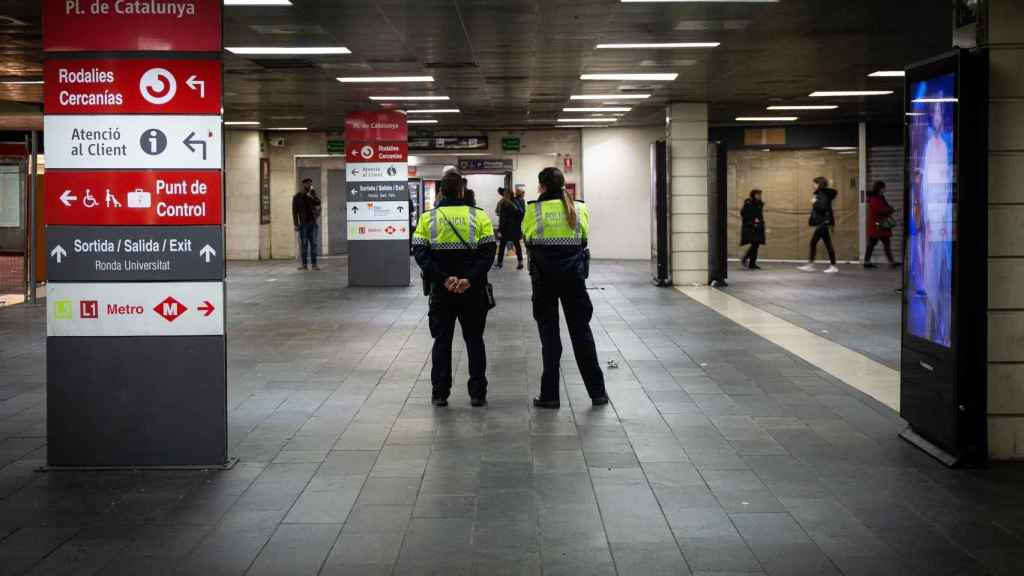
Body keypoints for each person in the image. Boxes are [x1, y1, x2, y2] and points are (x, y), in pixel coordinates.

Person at [522, 167, 609, 409]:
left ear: (542, 186)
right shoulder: (579, 208)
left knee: (550, 340)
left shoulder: (533, 210)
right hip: (574, 280)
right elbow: (583, 238)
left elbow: (527, 238)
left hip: (544, 282)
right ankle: (597, 393)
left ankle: (550, 396)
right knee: (582, 335)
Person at [412, 171, 497, 407]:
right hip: (473, 292)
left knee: (442, 341)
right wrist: (468, 279)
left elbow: (420, 253)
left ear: (441, 191)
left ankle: (440, 393)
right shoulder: (479, 217)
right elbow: (488, 253)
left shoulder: (428, 218)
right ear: (461, 190)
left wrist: (443, 279)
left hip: (442, 292)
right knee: (474, 340)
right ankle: (477, 393)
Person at [798, 176, 839, 274]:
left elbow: (823, 207)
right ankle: (831, 266)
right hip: (824, 222)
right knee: (826, 244)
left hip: (823, 223)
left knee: (814, 243)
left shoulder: (822, 194)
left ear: (819, 184)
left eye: (814, 183)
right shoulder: (823, 193)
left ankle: (812, 265)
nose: (813, 185)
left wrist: (814, 203)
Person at [865, 180, 897, 268]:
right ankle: (867, 262)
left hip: (881, 225)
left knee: (886, 243)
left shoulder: (880, 197)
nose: (885, 189)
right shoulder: (874, 198)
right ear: (880, 188)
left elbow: (885, 207)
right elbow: (880, 210)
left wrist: (890, 209)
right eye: (884, 187)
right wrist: (891, 210)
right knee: (872, 244)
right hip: (877, 225)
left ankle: (891, 262)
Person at [292, 177, 322, 271]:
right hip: (303, 224)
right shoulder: (297, 197)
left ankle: (314, 264)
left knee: (314, 244)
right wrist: (296, 224)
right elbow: (294, 211)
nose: (310, 185)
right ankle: (304, 265)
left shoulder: (312, 194)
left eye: (310, 184)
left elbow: (318, 202)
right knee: (304, 245)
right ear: (304, 185)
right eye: (308, 184)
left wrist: (311, 196)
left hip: (312, 223)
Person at [495, 188, 524, 270]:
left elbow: (502, 218)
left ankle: (500, 263)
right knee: (517, 245)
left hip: (506, 229)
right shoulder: (516, 202)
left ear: (506, 194)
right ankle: (520, 262)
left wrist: (500, 229)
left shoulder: (504, 203)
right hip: (515, 228)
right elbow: (521, 214)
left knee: (502, 246)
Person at [740, 189, 766, 270]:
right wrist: (753, 220)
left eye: (760, 195)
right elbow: (743, 213)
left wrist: (760, 222)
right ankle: (745, 258)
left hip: (758, 227)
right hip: (750, 227)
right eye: (758, 194)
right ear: (753, 195)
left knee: (756, 244)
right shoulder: (749, 203)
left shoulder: (759, 204)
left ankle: (752, 263)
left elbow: (759, 215)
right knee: (755, 244)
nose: (759, 196)